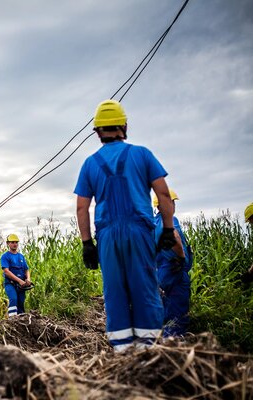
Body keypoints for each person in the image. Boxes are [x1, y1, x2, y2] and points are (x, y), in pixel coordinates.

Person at [74, 99, 177, 352]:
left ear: (97, 131)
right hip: (140, 231)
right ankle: (148, 350)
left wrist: (87, 244)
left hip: (107, 235)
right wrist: (166, 228)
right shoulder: (142, 154)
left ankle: (122, 352)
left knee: (115, 291)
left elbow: (81, 207)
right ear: (124, 126)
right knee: (145, 287)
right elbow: (163, 195)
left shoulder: (89, 164)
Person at [153, 189, 193, 337]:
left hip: (162, 274)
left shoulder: (153, 223)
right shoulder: (168, 220)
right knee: (178, 317)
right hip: (175, 272)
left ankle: (163, 348)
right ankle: (173, 350)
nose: (174, 205)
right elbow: (174, 236)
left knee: (168, 314)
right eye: (172, 202)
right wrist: (182, 257)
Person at [0, 233, 32, 317]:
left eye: (16, 242)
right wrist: (19, 281)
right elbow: (6, 271)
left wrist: (28, 279)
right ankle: (12, 321)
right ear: (8, 243)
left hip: (21, 285)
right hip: (10, 284)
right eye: (12, 242)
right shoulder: (5, 256)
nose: (15, 244)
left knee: (21, 302)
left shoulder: (21, 257)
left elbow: (26, 269)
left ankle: (22, 322)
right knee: (13, 299)